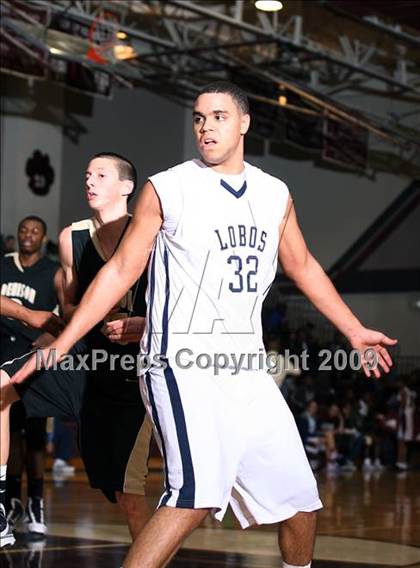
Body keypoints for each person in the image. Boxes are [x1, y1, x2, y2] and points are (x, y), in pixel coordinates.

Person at [8, 82, 397, 568]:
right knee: (194, 493)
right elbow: (121, 270)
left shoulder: (274, 193)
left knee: (301, 503)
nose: (206, 126)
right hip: (180, 363)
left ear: (244, 123)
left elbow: (304, 266)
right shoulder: (169, 187)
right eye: (198, 118)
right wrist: (64, 341)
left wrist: (354, 329)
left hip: (246, 367)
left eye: (217, 116)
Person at [0, 153, 152, 548]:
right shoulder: (72, 237)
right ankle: (2, 507)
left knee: (127, 495)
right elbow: (68, 307)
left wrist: (143, 324)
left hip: (133, 373)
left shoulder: (152, 234)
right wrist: (88, 313)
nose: (90, 181)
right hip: (84, 358)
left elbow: (178, 306)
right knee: (1, 384)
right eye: (87, 174)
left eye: (101, 175)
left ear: (126, 186)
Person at [0, 216, 62, 544]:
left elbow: (64, 315)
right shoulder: (4, 265)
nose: (28, 235)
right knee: (9, 436)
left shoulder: (52, 271)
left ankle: (36, 503)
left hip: (34, 358)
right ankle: (11, 503)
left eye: (35, 231)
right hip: (2, 358)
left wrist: (49, 343)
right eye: (23, 230)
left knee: (35, 437)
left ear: (44, 237)